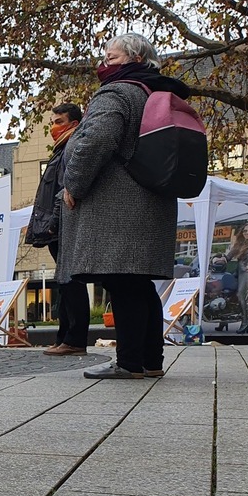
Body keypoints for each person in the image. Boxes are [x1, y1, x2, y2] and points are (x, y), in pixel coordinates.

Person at [61, 32, 191, 378]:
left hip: (118, 206)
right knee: (139, 283)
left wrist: (73, 183)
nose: (103, 64)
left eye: (111, 57)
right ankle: (151, 361)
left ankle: (129, 362)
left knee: (121, 282)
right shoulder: (157, 93)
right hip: (150, 202)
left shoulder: (118, 91)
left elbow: (95, 140)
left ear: (135, 60)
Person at [26, 103, 89, 356]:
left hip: (63, 225)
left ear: (73, 123)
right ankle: (66, 337)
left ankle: (74, 339)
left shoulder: (70, 149)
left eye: (58, 121)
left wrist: (52, 226)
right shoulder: (61, 150)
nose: (53, 127)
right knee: (65, 283)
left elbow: (62, 190)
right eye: (52, 121)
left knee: (71, 282)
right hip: (58, 225)